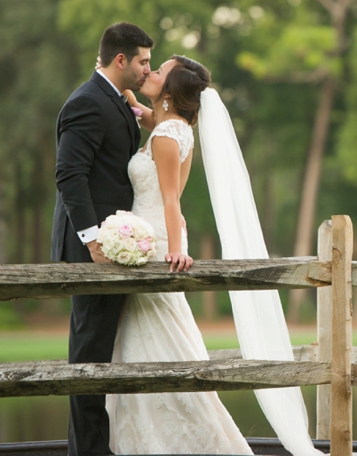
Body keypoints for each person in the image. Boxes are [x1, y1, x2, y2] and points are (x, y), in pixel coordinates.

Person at [105, 55, 252, 453]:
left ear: (169, 91)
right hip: (151, 235)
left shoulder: (169, 135)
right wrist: (117, 83)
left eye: (158, 71)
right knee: (153, 340)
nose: (149, 72)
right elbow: (142, 113)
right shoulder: (173, 126)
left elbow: (171, 199)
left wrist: (174, 252)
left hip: (153, 244)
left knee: (160, 341)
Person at [50, 22, 153, 456]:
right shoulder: (87, 103)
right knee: (88, 357)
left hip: (113, 245)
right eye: (144, 61)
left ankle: (89, 449)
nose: (148, 69)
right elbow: (69, 175)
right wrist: (93, 240)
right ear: (121, 60)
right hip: (91, 249)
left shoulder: (112, 98)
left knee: (98, 355)